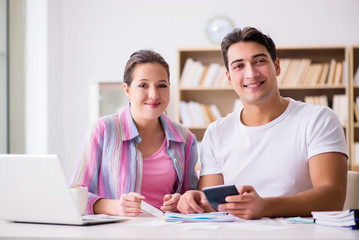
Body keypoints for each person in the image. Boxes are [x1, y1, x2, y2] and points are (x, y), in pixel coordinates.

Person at [177, 27, 348, 219]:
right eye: (239, 66)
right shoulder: (216, 132)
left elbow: (333, 197)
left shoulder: (318, 119)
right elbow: (213, 205)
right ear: (229, 79)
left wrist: (266, 207)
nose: (251, 73)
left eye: (259, 61)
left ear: (276, 66)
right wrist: (194, 201)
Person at [71, 49, 198, 217]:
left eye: (162, 85)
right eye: (143, 85)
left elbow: (192, 199)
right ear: (127, 89)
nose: (154, 95)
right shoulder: (103, 130)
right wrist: (112, 206)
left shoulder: (185, 138)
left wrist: (182, 202)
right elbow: (75, 196)